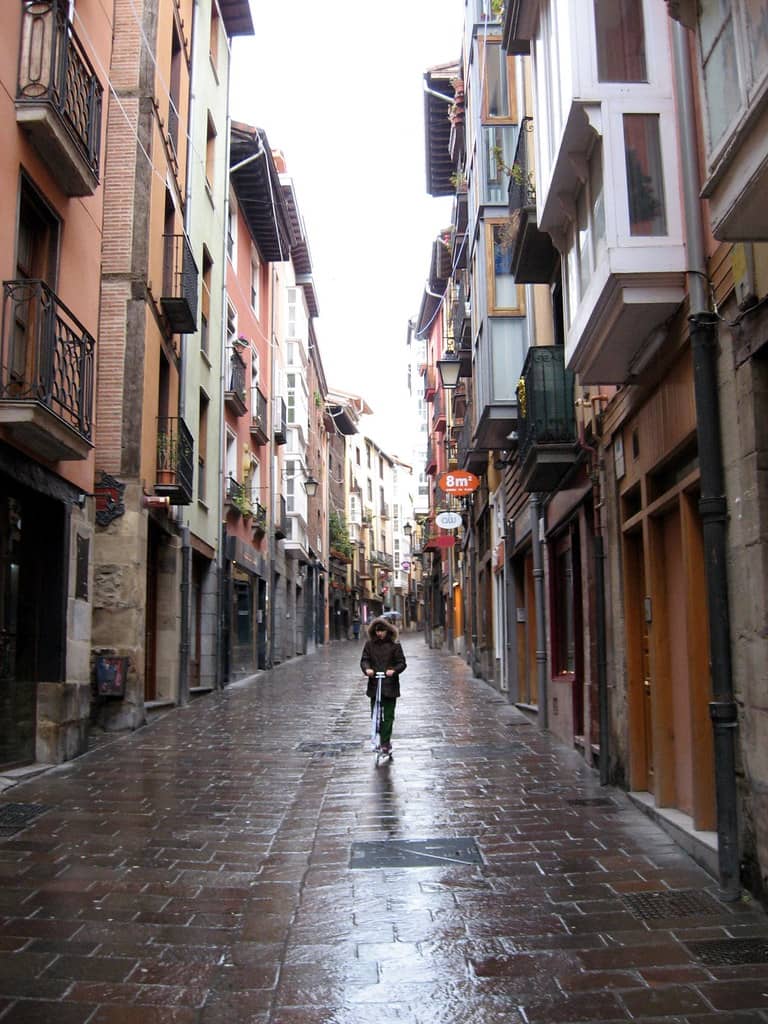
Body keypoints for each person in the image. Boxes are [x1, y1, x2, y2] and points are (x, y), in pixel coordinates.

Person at [360, 616, 407, 757]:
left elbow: (402, 663)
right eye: (377, 631)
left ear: (387, 631)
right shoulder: (369, 645)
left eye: (382, 631)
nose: (379, 633)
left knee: (388, 715)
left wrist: (394, 670)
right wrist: (367, 669)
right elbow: (365, 660)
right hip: (375, 685)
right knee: (375, 715)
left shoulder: (395, 645)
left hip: (390, 686)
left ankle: (385, 743)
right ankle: (379, 737)